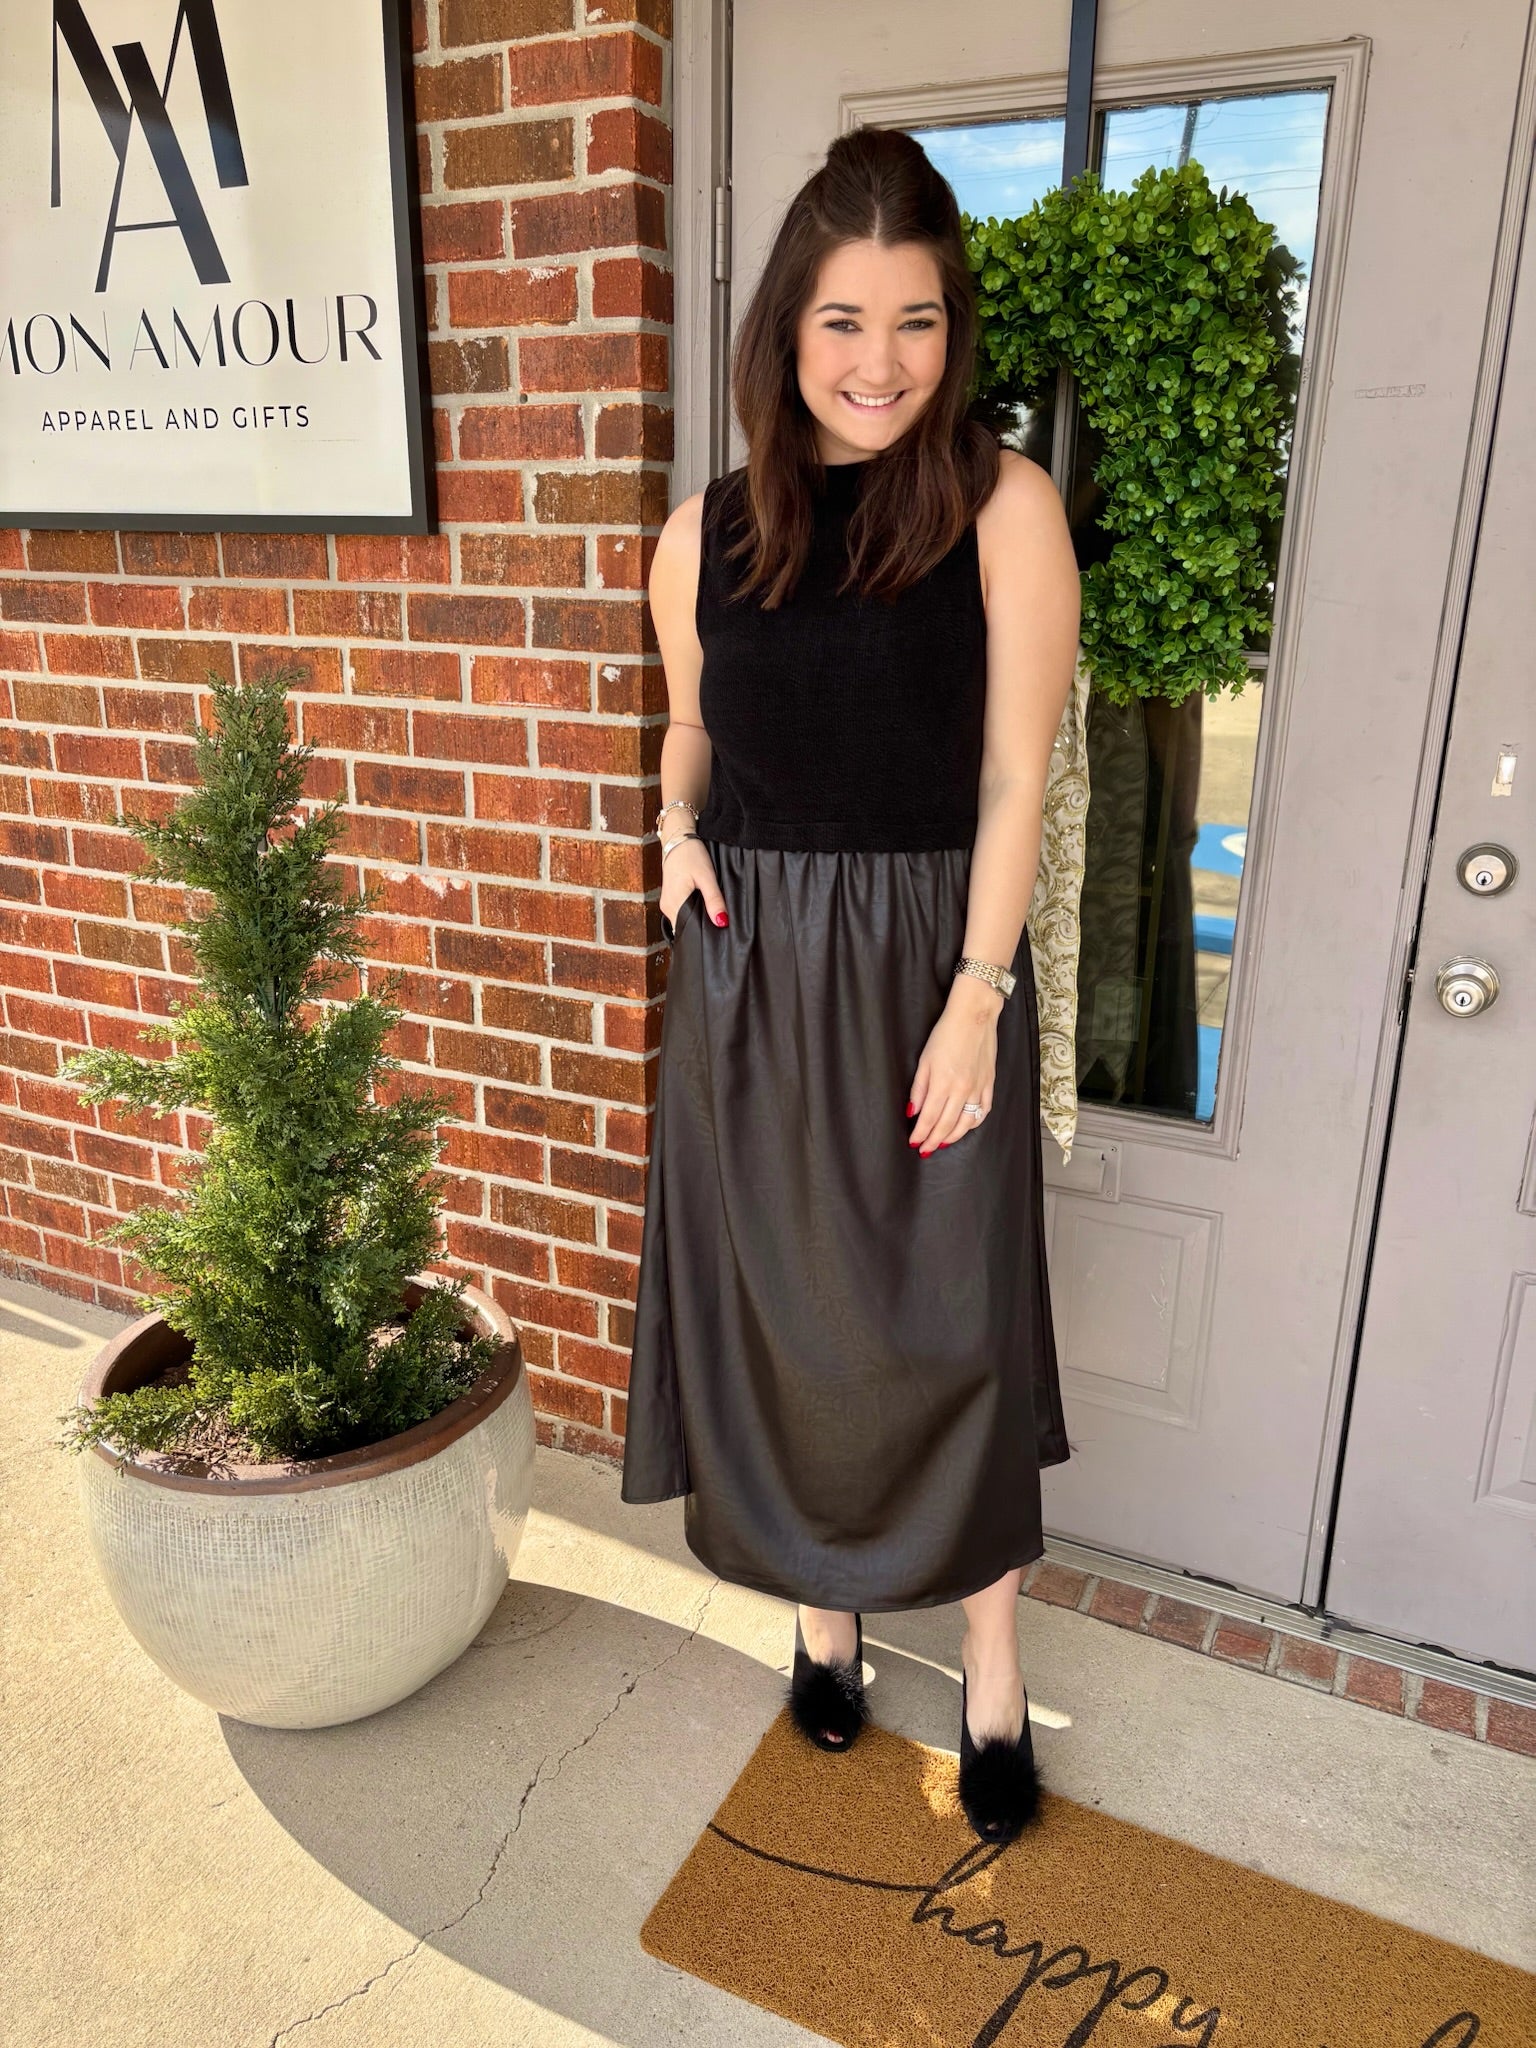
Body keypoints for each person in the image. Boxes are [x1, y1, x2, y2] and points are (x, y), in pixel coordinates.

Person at [620, 125, 1080, 1847]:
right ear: (785, 329)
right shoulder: (705, 531)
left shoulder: (1005, 508)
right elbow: (692, 721)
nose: (880, 363)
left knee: (954, 1319)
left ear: (953, 328)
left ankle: (991, 1666)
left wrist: (978, 994)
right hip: (748, 975)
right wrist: (674, 830)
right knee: (787, 1312)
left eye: (915, 321)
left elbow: (1015, 779)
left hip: (929, 968)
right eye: (842, 321)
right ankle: (825, 1620)